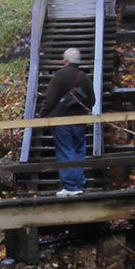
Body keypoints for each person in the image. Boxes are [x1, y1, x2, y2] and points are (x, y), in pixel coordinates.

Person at [43, 46, 94, 197]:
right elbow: (92, 100)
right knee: (79, 150)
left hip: (62, 120)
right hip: (79, 121)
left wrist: (43, 115)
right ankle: (78, 184)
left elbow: (50, 99)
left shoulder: (60, 76)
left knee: (66, 151)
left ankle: (71, 186)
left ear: (64, 60)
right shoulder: (84, 77)